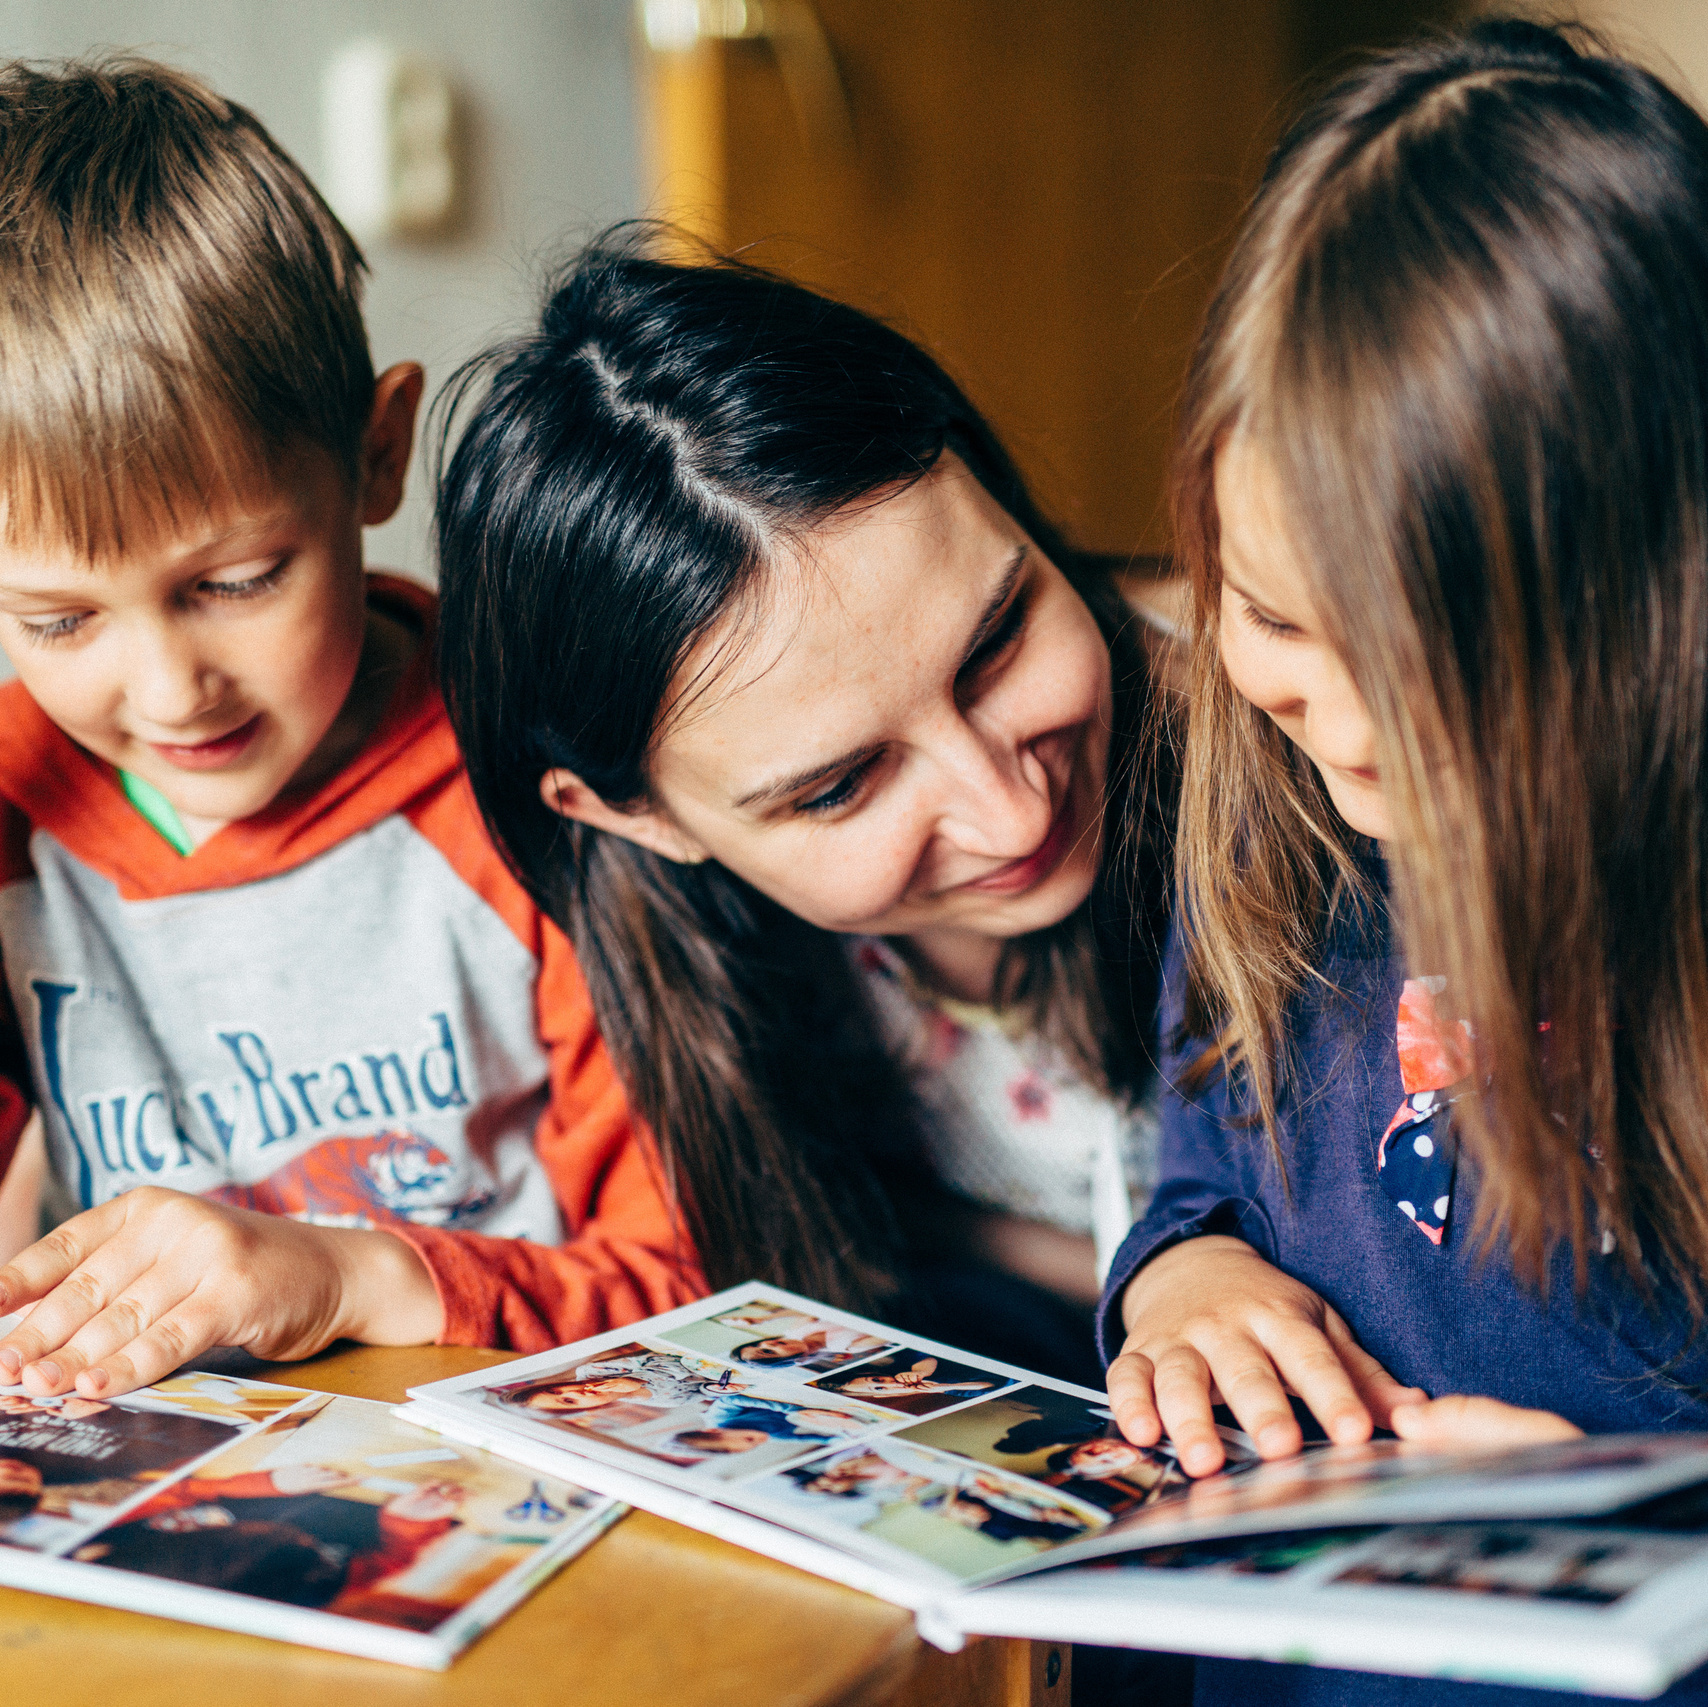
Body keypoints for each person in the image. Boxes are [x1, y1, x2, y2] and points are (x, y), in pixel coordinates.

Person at [1099, 19, 1708, 1706]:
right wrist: (1184, 1278)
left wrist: (1650, 1523)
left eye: (1437, 663)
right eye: (1280, 618)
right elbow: (1195, 1176)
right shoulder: (1279, 842)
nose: (1348, 727)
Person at [0, 60, 698, 1405]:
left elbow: (685, 1294)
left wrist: (340, 1272)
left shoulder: (532, 777)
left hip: (515, 1444)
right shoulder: (15, 809)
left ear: (378, 457)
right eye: (58, 620)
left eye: (236, 581)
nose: (166, 690)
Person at [433, 232, 1181, 1384]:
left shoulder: (1302, 728)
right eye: (839, 786)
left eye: (994, 643)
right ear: (635, 818)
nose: (1012, 814)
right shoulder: (672, 990)